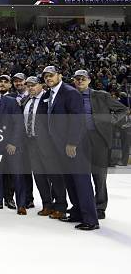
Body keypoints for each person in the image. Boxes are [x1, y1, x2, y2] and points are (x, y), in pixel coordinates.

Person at [42, 66, 99, 231]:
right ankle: (77, 213)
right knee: (70, 181)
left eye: (51, 75)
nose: (48, 78)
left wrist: (72, 142)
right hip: (60, 146)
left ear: (59, 75)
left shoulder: (70, 92)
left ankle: (91, 219)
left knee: (81, 181)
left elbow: (77, 120)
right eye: (46, 76)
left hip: (74, 146)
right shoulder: (50, 94)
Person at [72, 69, 128, 220]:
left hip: (98, 139)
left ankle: (100, 207)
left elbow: (122, 109)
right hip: (78, 140)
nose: (80, 81)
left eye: (83, 78)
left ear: (89, 80)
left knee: (99, 176)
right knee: (80, 176)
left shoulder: (101, 95)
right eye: (77, 79)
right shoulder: (72, 96)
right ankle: (82, 206)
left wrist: (110, 122)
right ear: (74, 81)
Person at [22, 76, 67, 219]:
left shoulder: (49, 98)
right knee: (39, 176)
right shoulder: (26, 101)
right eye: (28, 85)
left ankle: (60, 206)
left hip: (48, 143)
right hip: (31, 143)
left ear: (41, 85)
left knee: (55, 176)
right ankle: (47, 205)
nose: (31, 88)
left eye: (33, 85)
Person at [0, 78, 27, 215]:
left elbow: (18, 123)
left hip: (11, 145)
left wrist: (13, 142)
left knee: (17, 175)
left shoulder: (10, 102)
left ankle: (21, 204)